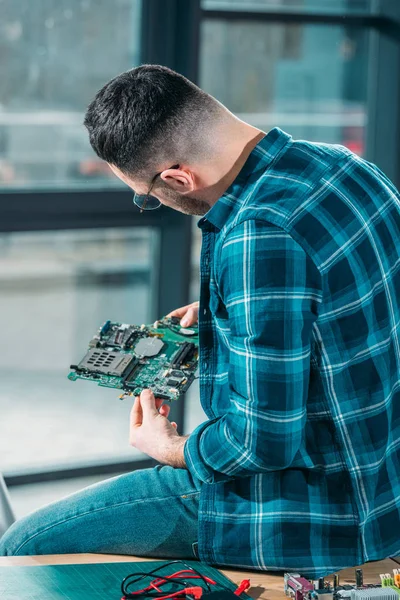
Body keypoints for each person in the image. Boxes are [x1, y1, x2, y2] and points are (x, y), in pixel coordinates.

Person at [1, 64, 399, 578]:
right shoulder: (346, 168)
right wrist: (232, 309)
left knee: (22, 544)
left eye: (146, 194)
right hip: (382, 481)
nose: (150, 202)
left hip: (311, 511)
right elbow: (346, 305)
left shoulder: (259, 234)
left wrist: (171, 448)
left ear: (176, 178)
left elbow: (261, 440)